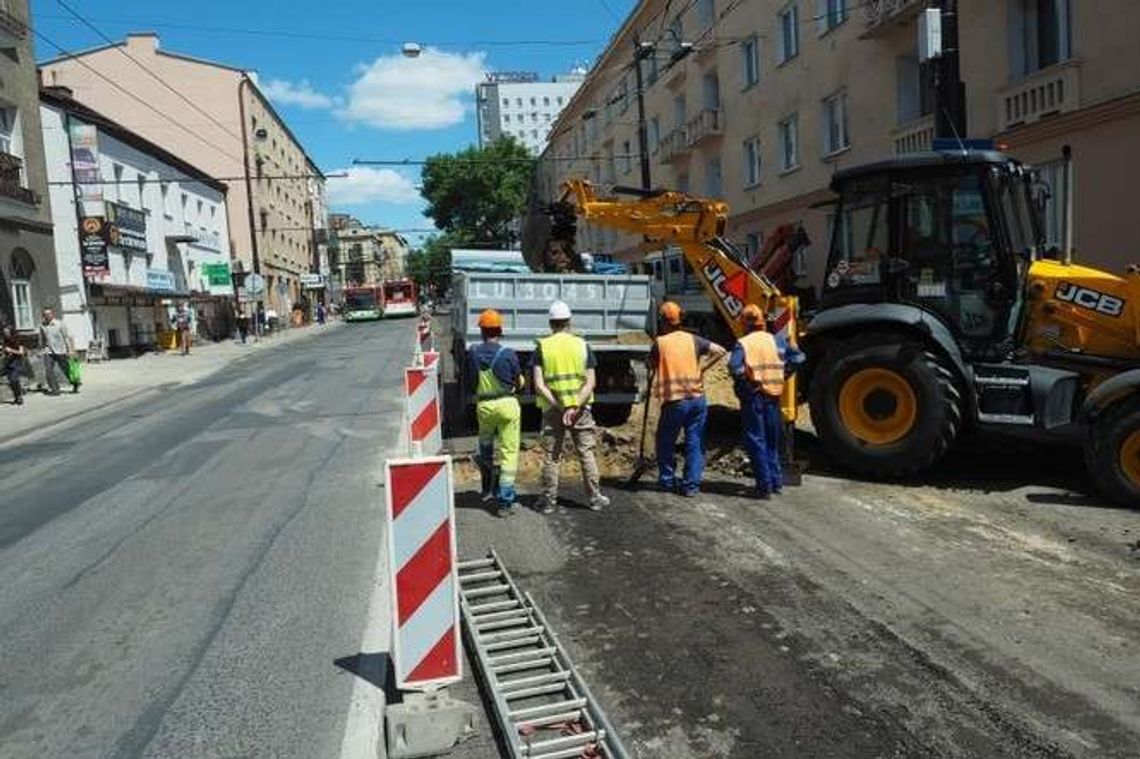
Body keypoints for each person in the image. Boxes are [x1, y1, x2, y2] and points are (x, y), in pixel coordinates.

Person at [532, 300, 610, 513]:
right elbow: (591, 382)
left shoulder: (542, 346)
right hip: (581, 409)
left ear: (551, 323)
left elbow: (539, 385)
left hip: (552, 410)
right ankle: (595, 497)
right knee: (586, 452)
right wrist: (573, 406)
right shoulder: (582, 345)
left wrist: (560, 406)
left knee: (552, 455)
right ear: (569, 321)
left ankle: (548, 501)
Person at [648, 301, 726, 496]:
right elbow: (720, 351)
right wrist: (702, 369)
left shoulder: (660, 343)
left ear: (663, 321)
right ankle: (691, 485)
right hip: (697, 399)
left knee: (665, 441)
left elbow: (650, 366)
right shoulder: (694, 340)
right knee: (695, 442)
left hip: (675, 401)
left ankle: (667, 480)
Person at [728, 305, 804, 498]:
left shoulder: (743, 343)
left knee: (756, 440)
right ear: (762, 322)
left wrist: (747, 384)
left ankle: (764, 486)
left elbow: (735, 367)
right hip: (773, 396)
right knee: (772, 440)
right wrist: (783, 374)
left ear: (745, 323)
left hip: (754, 397)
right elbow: (799, 358)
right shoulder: (777, 341)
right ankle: (776, 482)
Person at [467, 309, 524, 517]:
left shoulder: (472, 352)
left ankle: (487, 489)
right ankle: (505, 501)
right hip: (508, 406)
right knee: (509, 453)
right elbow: (519, 382)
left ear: (482, 331)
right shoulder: (507, 354)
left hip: (484, 408)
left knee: (485, 447)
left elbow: (471, 382)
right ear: (500, 330)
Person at [39, 307, 78, 396]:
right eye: (45, 314)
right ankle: (55, 390)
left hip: (61, 350)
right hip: (48, 351)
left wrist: (71, 350)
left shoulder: (60, 324)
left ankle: (75, 382)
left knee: (66, 369)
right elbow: (41, 340)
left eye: (49, 314)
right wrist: (41, 350)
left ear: (52, 314)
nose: (47, 316)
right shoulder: (42, 326)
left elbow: (68, 337)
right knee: (48, 370)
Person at [3, 325, 26, 405]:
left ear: (11, 332)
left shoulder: (18, 340)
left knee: (14, 379)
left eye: (7, 332)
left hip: (17, 361)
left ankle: (19, 396)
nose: (6, 334)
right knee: (11, 381)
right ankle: (16, 396)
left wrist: (11, 350)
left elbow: (21, 352)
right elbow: (5, 350)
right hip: (9, 362)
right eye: (4, 332)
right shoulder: (5, 340)